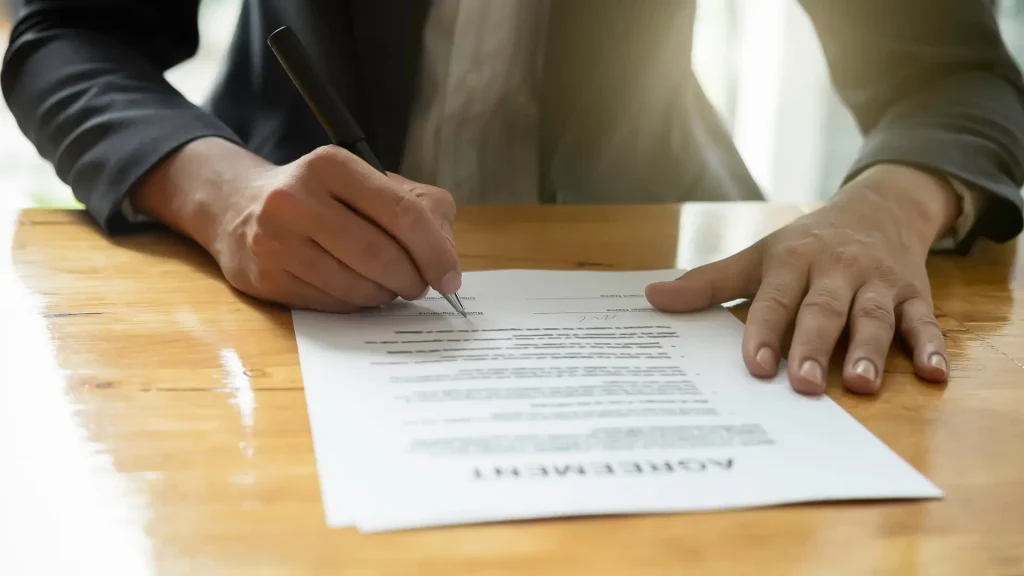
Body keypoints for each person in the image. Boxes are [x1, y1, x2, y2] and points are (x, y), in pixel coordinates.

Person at [3, 1, 1023, 397]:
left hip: (666, 261)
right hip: (281, 247)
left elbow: (953, 80)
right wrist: (223, 194)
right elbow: (65, 33)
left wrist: (888, 205)